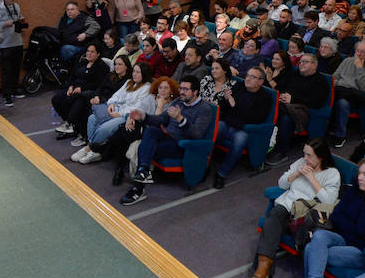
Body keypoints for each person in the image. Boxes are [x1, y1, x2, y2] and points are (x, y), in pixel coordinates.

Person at [247, 139, 341, 278]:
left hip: (306, 216)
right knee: (274, 216)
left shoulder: (332, 174)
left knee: (272, 222)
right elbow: (282, 184)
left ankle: (263, 274)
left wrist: (312, 178)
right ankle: (263, 271)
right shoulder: (300, 163)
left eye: (310, 155)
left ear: (321, 157)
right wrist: (297, 173)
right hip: (288, 208)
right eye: (304, 153)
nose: (305, 158)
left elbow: (329, 201)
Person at [120, 76, 216, 206]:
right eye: (181, 88)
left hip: (182, 145)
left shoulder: (204, 109)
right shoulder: (179, 101)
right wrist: (143, 117)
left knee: (145, 148)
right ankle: (143, 170)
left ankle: (138, 189)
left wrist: (181, 119)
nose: (181, 91)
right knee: (151, 131)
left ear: (195, 92)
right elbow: (161, 120)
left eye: (186, 89)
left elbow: (197, 134)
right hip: (167, 137)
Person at [72, 58, 156, 164]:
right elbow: (116, 95)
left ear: (144, 74)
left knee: (104, 128)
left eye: (138, 72)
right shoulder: (129, 82)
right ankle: (95, 150)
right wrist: (111, 103)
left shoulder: (147, 88)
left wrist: (119, 113)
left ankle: (89, 149)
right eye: (134, 71)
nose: (134, 74)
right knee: (92, 118)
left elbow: (138, 107)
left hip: (126, 115)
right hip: (116, 108)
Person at [212, 65, 274, 187]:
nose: (248, 79)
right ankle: (206, 163)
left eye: (253, 77)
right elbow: (223, 110)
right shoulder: (239, 86)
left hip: (244, 130)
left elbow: (255, 119)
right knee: (215, 128)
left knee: (241, 139)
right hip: (230, 124)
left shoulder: (265, 98)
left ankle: (222, 173)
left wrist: (234, 106)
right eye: (247, 75)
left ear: (261, 81)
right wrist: (226, 101)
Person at [268, 51, 330, 161]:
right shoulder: (295, 74)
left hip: (303, 111)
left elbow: (316, 102)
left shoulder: (320, 81)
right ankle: (266, 143)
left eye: (305, 62)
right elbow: (281, 87)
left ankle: (281, 152)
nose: (301, 64)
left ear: (314, 65)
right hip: (286, 105)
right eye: (300, 61)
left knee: (285, 119)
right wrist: (282, 95)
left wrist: (292, 99)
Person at [51, 43, 110, 137]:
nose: (89, 54)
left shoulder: (102, 67)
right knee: (56, 99)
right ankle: (70, 123)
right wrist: (71, 86)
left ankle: (70, 124)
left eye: (92, 52)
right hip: (74, 88)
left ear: (98, 54)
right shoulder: (82, 62)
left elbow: (98, 83)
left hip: (86, 91)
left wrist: (81, 88)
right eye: (88, 51)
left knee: (76, 100)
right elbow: (73, 75)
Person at [329, 40, 365, 147]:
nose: (359, 54)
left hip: (356, 97)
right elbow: (334, 78)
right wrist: (341, 84)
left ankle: (340, 135)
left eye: (363, 52)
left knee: (342, 103)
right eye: (357, 51)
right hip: (340, 90)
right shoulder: (347, 61)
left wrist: (359, 68)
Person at [0, 0, 26, 107]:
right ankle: (7, 95)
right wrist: (4, 24)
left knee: (16, 68)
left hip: (17, 42)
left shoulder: (16, 7)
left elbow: (18, 18)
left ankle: (15, 89)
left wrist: (21, 21)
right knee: (6, 70)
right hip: (5, 44)